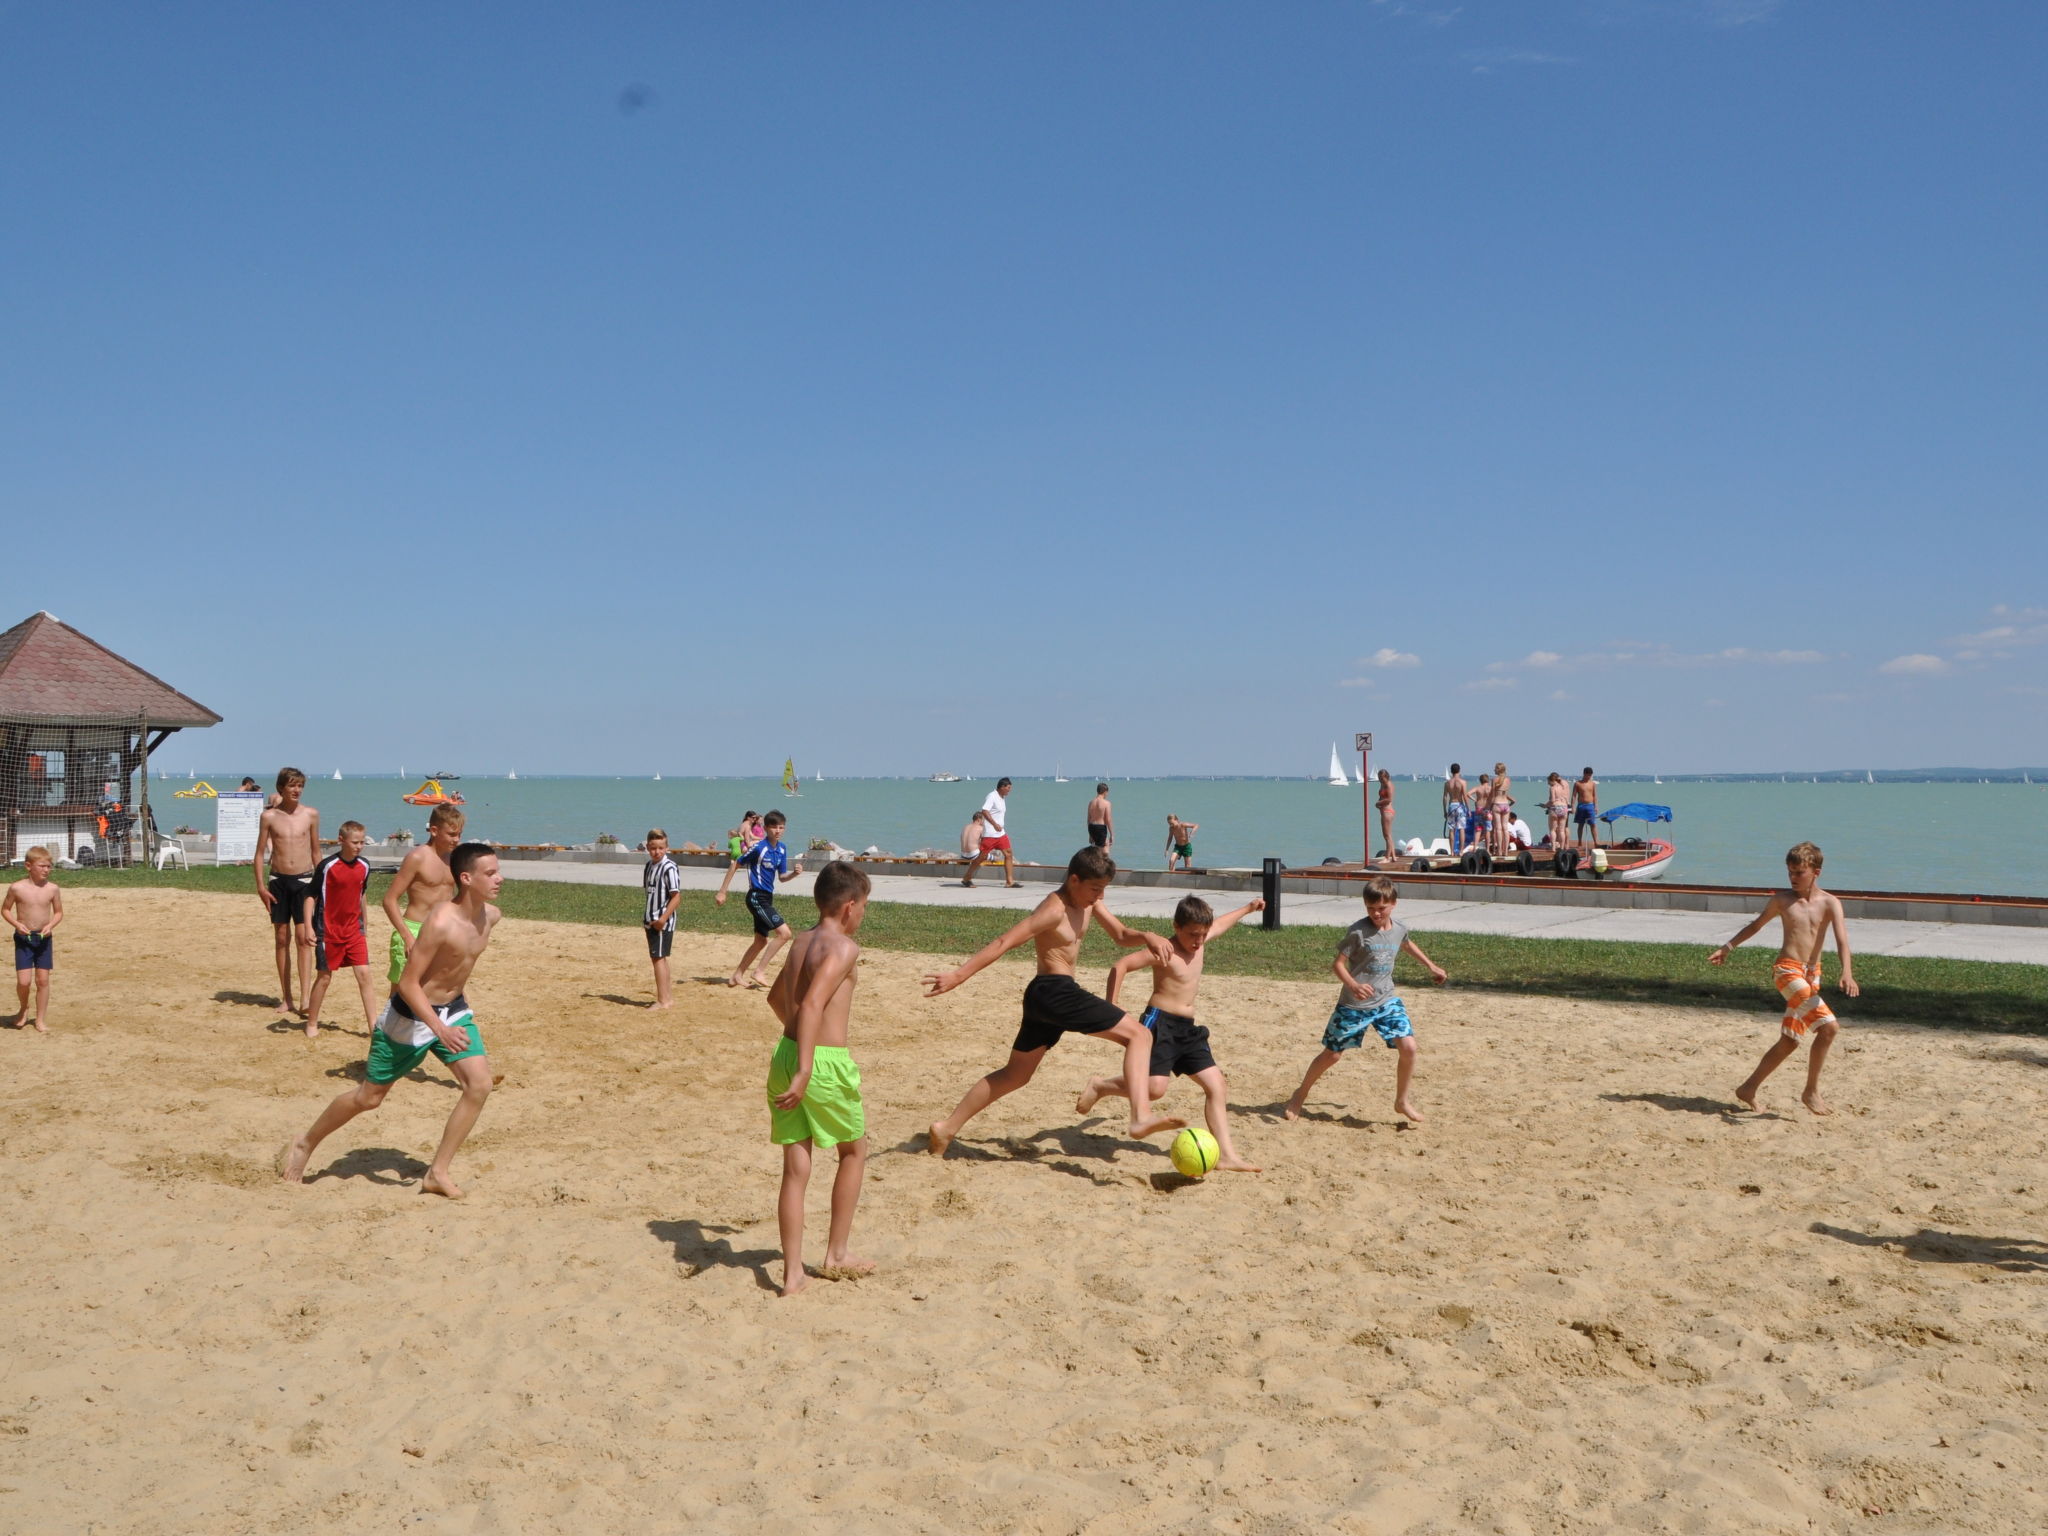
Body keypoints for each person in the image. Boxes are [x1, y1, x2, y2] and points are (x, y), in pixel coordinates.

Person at [923, 845, 1184, 1155]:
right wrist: (959, 975)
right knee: (1140, 1035)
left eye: (1103, 890)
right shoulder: (1053, 909)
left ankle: (946, 1128)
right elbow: (1004, 941)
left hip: (1044, 998)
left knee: (1015, 1074)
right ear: (1074, 880)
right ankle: (1141, 1116)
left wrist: (1147, 935)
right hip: (1054, 991)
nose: (1099, 896)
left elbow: (1121, 934)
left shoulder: (1088, 902)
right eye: (1095, 889)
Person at [279, 843, 504, 1199]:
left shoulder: (491, 916)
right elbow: (409, 983)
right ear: (466, 878)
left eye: (498, 871)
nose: (499, 878)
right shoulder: (442, 921)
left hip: (454, 1010)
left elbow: (455, 970)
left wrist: (451, 1018)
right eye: (490, 873)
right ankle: (305, 1143)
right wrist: (439, 1029)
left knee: (479, 1085)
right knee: (368, 1098)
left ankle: (437, 1172)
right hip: (410, 1017)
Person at [1076, 895, 1265, 1172]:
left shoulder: (1199, 941)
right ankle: (1101, 1086)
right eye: (1192, 935)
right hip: (1159, 1025)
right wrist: (1112, 1005)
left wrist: (1248, 909)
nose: (1199, 941)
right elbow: (1120, 966)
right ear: (1177, 927)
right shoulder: (1164, 950)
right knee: (1154, 1090)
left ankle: (1227, 1155)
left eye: (1202, 935)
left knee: (1216, 1086)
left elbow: (1221, 925)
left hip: (1188, 1031)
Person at [764, 861, 876, 1297]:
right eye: (864, 905)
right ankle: (836, 1253)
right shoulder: (843, 947)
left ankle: (793, 1276)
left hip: (785, 1054)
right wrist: (810, 1066)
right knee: (854, 1151)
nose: (863, 913)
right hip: (821, 1063)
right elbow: (812, 1005)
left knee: (795, 1168)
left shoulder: (800, 942)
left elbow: (778, 998)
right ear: (849, 907)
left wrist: (796, 1051)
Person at [1710, 841, 1859, 1116]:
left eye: (1799, 872)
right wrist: (1727, 948)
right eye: (1790, 872)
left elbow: (1842, 941)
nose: (1793, 878)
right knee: (1829, 1028)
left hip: (1812, 975)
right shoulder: (1782, 900)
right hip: (1787, 971)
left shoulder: (1830, 903)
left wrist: (1846, 972)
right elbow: (1756, 925)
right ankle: (1811, 1091)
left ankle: (1748, 1088)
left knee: (1790, 1040)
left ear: (1816, 872)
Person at [1284, 876, 1446, 1126]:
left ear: (1394, 904)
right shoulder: (1358, 932)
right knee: (1332, 1055)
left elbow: (1406, 944)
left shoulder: (1399, 928)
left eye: (1381, 908)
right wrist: (1354, 984)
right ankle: (1300, 1094)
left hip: (1386, 1001)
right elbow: (1337, 965)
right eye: (1370, 908)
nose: (1376, 913)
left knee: (1409, 1047)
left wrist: (1431, 966)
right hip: (1354, 1004)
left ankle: (1401, 1101)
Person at [254, 767, 321, 1021]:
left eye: (300, 785)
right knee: (282, 938)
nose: (297, 790)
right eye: (292, 785)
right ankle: (287, 997)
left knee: (304, 939)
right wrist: (261, 886)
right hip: (278, 882)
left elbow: (316, 852)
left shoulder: (311, 815)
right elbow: (260, 853)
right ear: (281, 787)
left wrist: (320, 883)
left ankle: (305, 997)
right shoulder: (269, 817)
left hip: (305, 881)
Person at [304, 821, 376, 1040]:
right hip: (328, 931)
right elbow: (310, 895)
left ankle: (374, 1026)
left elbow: (360, 893)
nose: (359, 846)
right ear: (341, 840)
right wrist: (308, 927)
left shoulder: (364, 865)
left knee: (364, 975)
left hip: (354, 930)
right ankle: (312, 1021)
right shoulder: (327, 866)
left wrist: (365, 918)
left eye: (362, 842)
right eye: (355, 842)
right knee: (325, 977)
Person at [716, 809, 803, 988]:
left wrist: (794, 874)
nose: (778, 831)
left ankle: (737, 976)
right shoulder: (759, 848)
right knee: (784, 933)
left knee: (761, 940)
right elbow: (735, 864)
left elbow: (782, 877)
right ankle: (759, 971)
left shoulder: (781, 848)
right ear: (765, 828)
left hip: (767, 897)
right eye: (773, 827)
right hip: (756, 897)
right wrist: (722, 891)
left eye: (781, 827)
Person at [382, 803, 464, 987]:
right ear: (434, 831)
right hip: (414, 929)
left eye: (459, 834)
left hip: (441, 930)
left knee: (435, 989)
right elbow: (389, 900)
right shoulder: (417, 857)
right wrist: (407, 937)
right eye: (451, 834)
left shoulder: (453, 859)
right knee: (402, 992)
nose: (456, 839)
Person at [4, 847, 62, 1033]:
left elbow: (59, 912)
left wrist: (50, 925)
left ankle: (40, 1019)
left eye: (49, 866)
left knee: (43, 980)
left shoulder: (53, 889)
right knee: (23, 982)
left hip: (44, 939)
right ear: (28, 866)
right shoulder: (17, 888)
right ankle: (23, 1008)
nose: (46, 869)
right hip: (23, 938)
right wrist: (16, 923)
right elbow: (5, 909)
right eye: (42, 866)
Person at [643, 828, 683, 1010]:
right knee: (659, 958)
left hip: (661, 922)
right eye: (653, 848)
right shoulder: (649, 866)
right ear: (647, 847)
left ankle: (663, 999)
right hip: (650, 919)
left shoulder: (669, 867)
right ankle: (667, 996)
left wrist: (662, 919)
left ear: (666, 848)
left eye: (660, 848)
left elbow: (676, 896)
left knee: (658, 958)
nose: (657, 852)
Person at [961, 778, 1017, 888]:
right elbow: (984, 811)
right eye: (1008, 788)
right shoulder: (992, 796)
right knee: (982, 857)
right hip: (990, 833)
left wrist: (999, 827)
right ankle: (966, 878)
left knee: (1009, 853)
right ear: (1002, 787)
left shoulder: (1002, 797)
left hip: (1000, 833)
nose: (1010, 790)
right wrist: (994, 824)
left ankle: (1010, 881)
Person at [1571, 767, 1599, 852]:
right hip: (1581, 806)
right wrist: (1573, 806)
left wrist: (1596, 806)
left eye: (1590, 775)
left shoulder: (1592, 784)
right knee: (1581, 825)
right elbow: (1574, 796)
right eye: (1588, 775)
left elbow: (1594, 795)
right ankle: (1579, 842)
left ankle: (1596, 842)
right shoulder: (1577, 783)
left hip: (1590, 805)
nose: (1589, 777)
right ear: (1584, 774)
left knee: (1593, 824)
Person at [1442, 763, 1469, 852]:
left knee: (1451, 829)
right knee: (1461, 829)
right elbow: (1465, 796)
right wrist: (1468, 809)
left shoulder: (1447, 783)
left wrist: (1444, 810)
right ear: (1459, 770)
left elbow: (1445, 797)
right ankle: (1461, 851)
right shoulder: (1463, 782)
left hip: (1451, 806)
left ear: (1451, 771)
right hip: (1460, 806)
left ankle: (1452, 852)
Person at [1490, 762, 1515, 856]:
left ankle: (1499, 850)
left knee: (1498, 828)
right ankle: (1506, 851)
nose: (1494, 770)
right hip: (1506, 804)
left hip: (1497, 804)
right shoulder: (1508, 780)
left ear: (1498, 770)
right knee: (1505, 828)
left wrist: (1489, 806)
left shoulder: (1494, 779)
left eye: (1495, 768)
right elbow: (1505, 793)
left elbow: (1492, 794)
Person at [1544, 772, 1570, 849]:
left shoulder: (1552, 788)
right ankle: (1562, 848)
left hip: (1555, 808)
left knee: (1552, 830)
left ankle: (1553, 848)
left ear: (1552, 780)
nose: (1548, 783)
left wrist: (1545, 805)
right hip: (1564, 807)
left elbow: (1552, 800)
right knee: (1562, 830)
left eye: (1548, 781)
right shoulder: (1562, 787)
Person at [1086, 783, 1114, 850]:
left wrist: (1090, 834)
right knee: (1105, 848)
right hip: (1100, 827)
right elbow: (1108, 819)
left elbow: (1088, 819)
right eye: (1107, 793)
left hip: (1091, 827)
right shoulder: (1106, 803)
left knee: (1095, 849)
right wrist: (1111, 835)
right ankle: (1103, 860)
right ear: (1105, 792)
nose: (1107, 794)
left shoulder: (1091, 802)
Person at [1375, 769, 1396, 861]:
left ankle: (1387, 857)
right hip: (1383, 810)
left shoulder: (1388, 784)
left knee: (1386, 835)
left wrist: (1378, 803)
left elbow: (1389, 799)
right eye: (1379, 778)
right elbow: (1382, 796)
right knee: (1388, 835)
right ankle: (1393, 856)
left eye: (1382, 778)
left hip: (1387, 811)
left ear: (1386, 776)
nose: (1380, 780)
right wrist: (1379, 803)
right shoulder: (1382, 784)